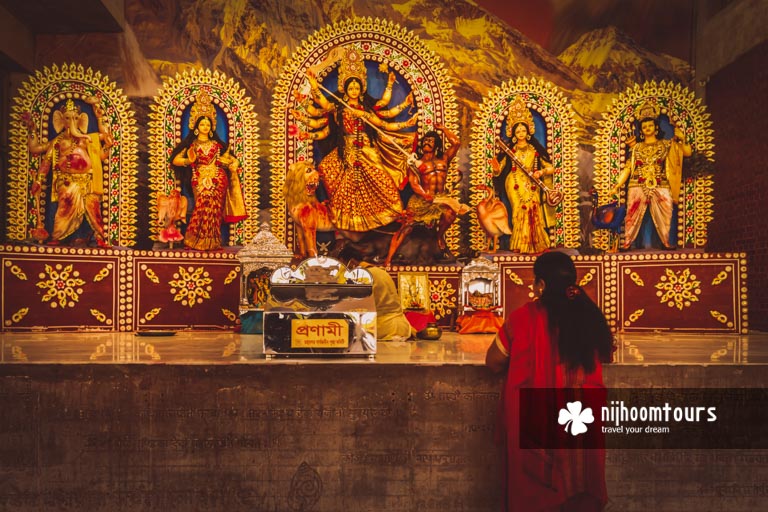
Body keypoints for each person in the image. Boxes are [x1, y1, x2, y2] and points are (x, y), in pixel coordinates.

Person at [486, 251, 613, 512]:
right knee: (579, 484)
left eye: (535, 281)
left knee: (534, 493)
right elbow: (606, 354)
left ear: (541, 285)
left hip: (533, 422)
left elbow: (494, 362)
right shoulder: (588, 315)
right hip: (579, 419)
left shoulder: (522, 318)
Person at [292, 46, 417, 234]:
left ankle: (388, 217)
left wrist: (403, 112)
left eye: (357, 87)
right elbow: (322, 104)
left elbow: (385, 119)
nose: (353, 90)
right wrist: (314, 84)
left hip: (366, 149)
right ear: (345, 88)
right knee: (330, 172)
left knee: (382, 180)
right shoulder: (338, 107)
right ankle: (347, 226)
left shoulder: (366, 108)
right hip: (346, 150)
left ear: (361, 88)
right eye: (350, 87)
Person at [24, 97, 113, 247]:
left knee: (93, 210)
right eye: (68, 118)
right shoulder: (58, 142)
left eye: (75, 118)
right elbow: (38, 152)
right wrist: (32, 130)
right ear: (61, 120)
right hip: (66, 182)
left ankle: (98, 238)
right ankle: (58, 235)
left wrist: (99, 117)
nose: (72, 121)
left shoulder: (87, 139)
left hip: (87, 182)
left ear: (81, 120)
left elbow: (104, 143)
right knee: (65, 206)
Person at [170, 90, 247, 250]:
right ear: (196, 127)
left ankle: (213, 242)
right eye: (202, 124)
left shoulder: (217, 145)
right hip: (198, 179)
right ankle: (194, 241)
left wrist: (233, 165)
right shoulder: (191, 145)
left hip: (218, 179)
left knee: (214, 210)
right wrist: (188, 161)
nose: (205, 126)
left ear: (211, 127)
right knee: (202, 206)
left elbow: (233, 160)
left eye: (208, 124)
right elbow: (176, 160)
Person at [611, 101, 692, 250]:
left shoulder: (666, 144)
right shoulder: (636, 148)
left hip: (660, 182)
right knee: (632, 214)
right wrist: (617, 185)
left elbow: (686, 153)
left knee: (667, 211)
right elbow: (628, 168)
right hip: (638, 183)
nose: (647, 128)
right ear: (641, 130)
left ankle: (667, 242)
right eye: (644, 126)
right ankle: (627, 243)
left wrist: (681, 138)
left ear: (656, 128)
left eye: (650, 125)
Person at [386, 124, 469, 265]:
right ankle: (388, 259)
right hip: (422, 200)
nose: (427, 142)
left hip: (440, 198)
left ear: (436, 144)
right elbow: (413, 183)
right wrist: (424, 195)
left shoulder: (443, 159)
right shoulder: (415, 162)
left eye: (430, 140)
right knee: (405, 228)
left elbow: (456, 143)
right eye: (425, 140)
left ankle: (439, 236)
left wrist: (443, 129)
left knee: (450, 213)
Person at [491, 98, 555, 254]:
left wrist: (541, 172)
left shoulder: (535, 150)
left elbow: (551, 168)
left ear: (528, 132)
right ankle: (520, 244)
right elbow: (499, 171)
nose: (520, 133)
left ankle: (537, 244)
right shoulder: (510, 150)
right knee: (519, 211)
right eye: (517, 131)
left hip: (532, 182)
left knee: (534, 209)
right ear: (513, 133)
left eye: (523, 130)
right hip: (514, 182)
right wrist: (497, 169)